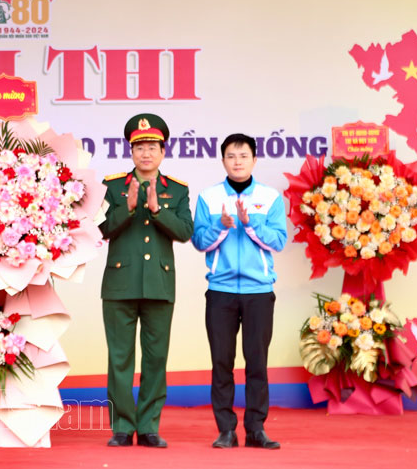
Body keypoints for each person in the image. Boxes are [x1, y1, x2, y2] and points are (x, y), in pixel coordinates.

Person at [99, 113, 193, 448]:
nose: (146, 153)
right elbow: (101, 229)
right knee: (120, 359)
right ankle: (122, 427)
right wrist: (127, 208)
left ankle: (150, 426)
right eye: (139, 147)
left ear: (163, 151)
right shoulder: (112, 186)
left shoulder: (177, 190)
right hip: (119, 285)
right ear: (131, 151)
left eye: (152, 147)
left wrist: (157, 210)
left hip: (159, 286)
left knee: (156, 359)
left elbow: (185, 232)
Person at [191, 134, 287, 450]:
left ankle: (256, 429)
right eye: (231, 156)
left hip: (259, 291)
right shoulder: (209, 197)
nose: (237, 161)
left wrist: (250, 224)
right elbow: (199, 242)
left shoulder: (270, 197)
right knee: (222, 362)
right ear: (223, 161)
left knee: (257, 362)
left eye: (243, 156)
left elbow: (279, 241)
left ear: (254, 160)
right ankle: (226, 431)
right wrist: (221, 225)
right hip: (220, 291)